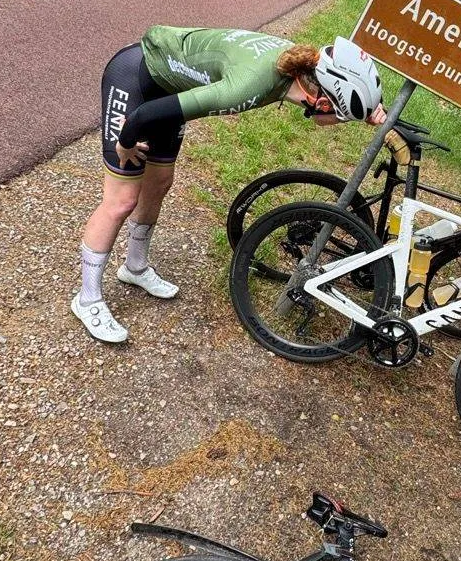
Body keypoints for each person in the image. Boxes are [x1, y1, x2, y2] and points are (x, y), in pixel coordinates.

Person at [73, 29, 386, 343]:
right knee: (122, 200)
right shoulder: (248, 86)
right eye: (343, 117)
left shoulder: (300, 67)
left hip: (169, 91)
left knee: (159, 183)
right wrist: (124, 143)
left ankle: (135, 268)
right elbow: (143, 115)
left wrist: (371, 109)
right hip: (136, 78)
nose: (340, 124)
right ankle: (87, 299)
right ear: (321, 100)